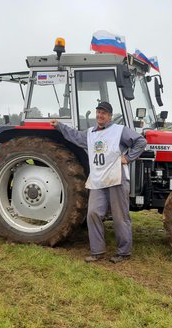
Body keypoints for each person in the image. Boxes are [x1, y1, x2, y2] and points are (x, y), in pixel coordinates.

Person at [50, 102, 147, 263]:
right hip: (97, 179)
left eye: (103, 113)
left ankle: (124, 252)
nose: (100, 115)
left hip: (116, 178)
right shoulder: (90, 133)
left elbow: (140, 142)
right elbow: (74, 136)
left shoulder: (119, 131)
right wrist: (59, 126)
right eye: (98, 112)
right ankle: (97, 251)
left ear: (109, 116)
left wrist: (128, 157)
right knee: (93, 213)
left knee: (119, 216)